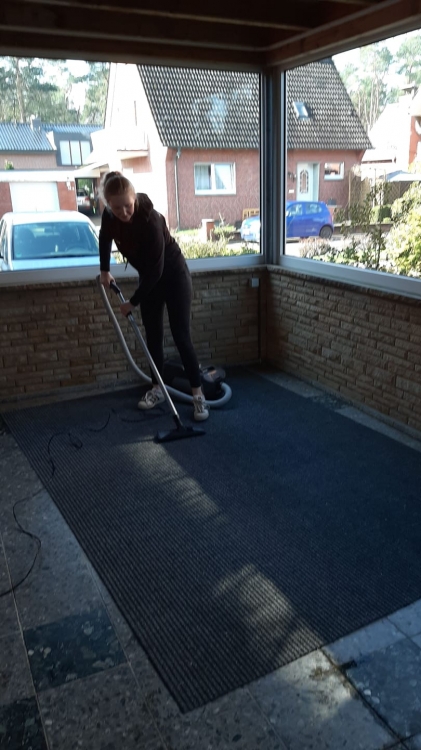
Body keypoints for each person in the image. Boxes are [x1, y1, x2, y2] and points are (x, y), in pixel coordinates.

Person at [99, 171, 209, 422]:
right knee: (153, 336)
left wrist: (132, 302)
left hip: (173, 276)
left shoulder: (150, 221)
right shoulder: (109, 216)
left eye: (128, 205)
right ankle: (157, 389)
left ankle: (198, 395)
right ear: (108, 205)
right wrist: (105, 270)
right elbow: (105, 237)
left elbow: (156, 272)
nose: (124, 212)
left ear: (134, 198)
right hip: (150, 280)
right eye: (117, 208)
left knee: (181, 336)